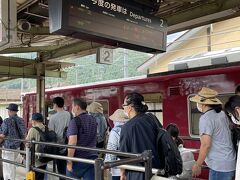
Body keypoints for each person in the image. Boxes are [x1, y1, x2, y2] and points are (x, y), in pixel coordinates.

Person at [190, 87, 236, 180]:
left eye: (198, 101)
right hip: (230, 161)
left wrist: (198, 164)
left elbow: (206, 145)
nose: (197, 104)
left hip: (219, 166)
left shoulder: (206, 118)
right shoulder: (222, 114)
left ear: (204, 103)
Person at [119, 92, 161, 180]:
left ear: (129, 108)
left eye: (124, 105)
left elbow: (123, 154)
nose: (123, 108)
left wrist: (122, 173)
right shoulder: (152, 118)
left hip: (137, 172)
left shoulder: (127, 127)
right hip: (156, 169)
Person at [66, 98, 98, 180]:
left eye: (72, 106)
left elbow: (72, 143)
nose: (72, 109)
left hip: (78, 160)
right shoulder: (93, 119)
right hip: (92, 158)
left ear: (77, 107)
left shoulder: (75, 121)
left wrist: (69, 161)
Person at [0, 103, 26, 180]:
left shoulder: (7, 121)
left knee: (7, 168)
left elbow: (2, 135)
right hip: (17, 147)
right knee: (12, 167)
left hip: (8, 148)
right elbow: (24, 134)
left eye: (8, 110)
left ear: (10, 111)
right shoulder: (21, 120)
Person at [48, 97, 71, 179]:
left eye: (53, 104)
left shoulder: (53, 117)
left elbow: (51, 132)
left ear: (56, 105)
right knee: (67, 165)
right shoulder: (68, 114)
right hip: (68, 143)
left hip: (58, 145)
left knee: (60, 168)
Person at [105, 109, 129, 180]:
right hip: (131, 166)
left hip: (118, 169)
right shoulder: (130, 128)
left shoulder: (115, 131)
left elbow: (111, 149)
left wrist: (107, 164)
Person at [26, 113, 48, 180]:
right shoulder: (47, 128)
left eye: (32, 120)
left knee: (34, 177)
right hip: (45, 158)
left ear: (34, 121)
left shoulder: (32, 130)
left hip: (36, 160)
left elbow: (27, 143)